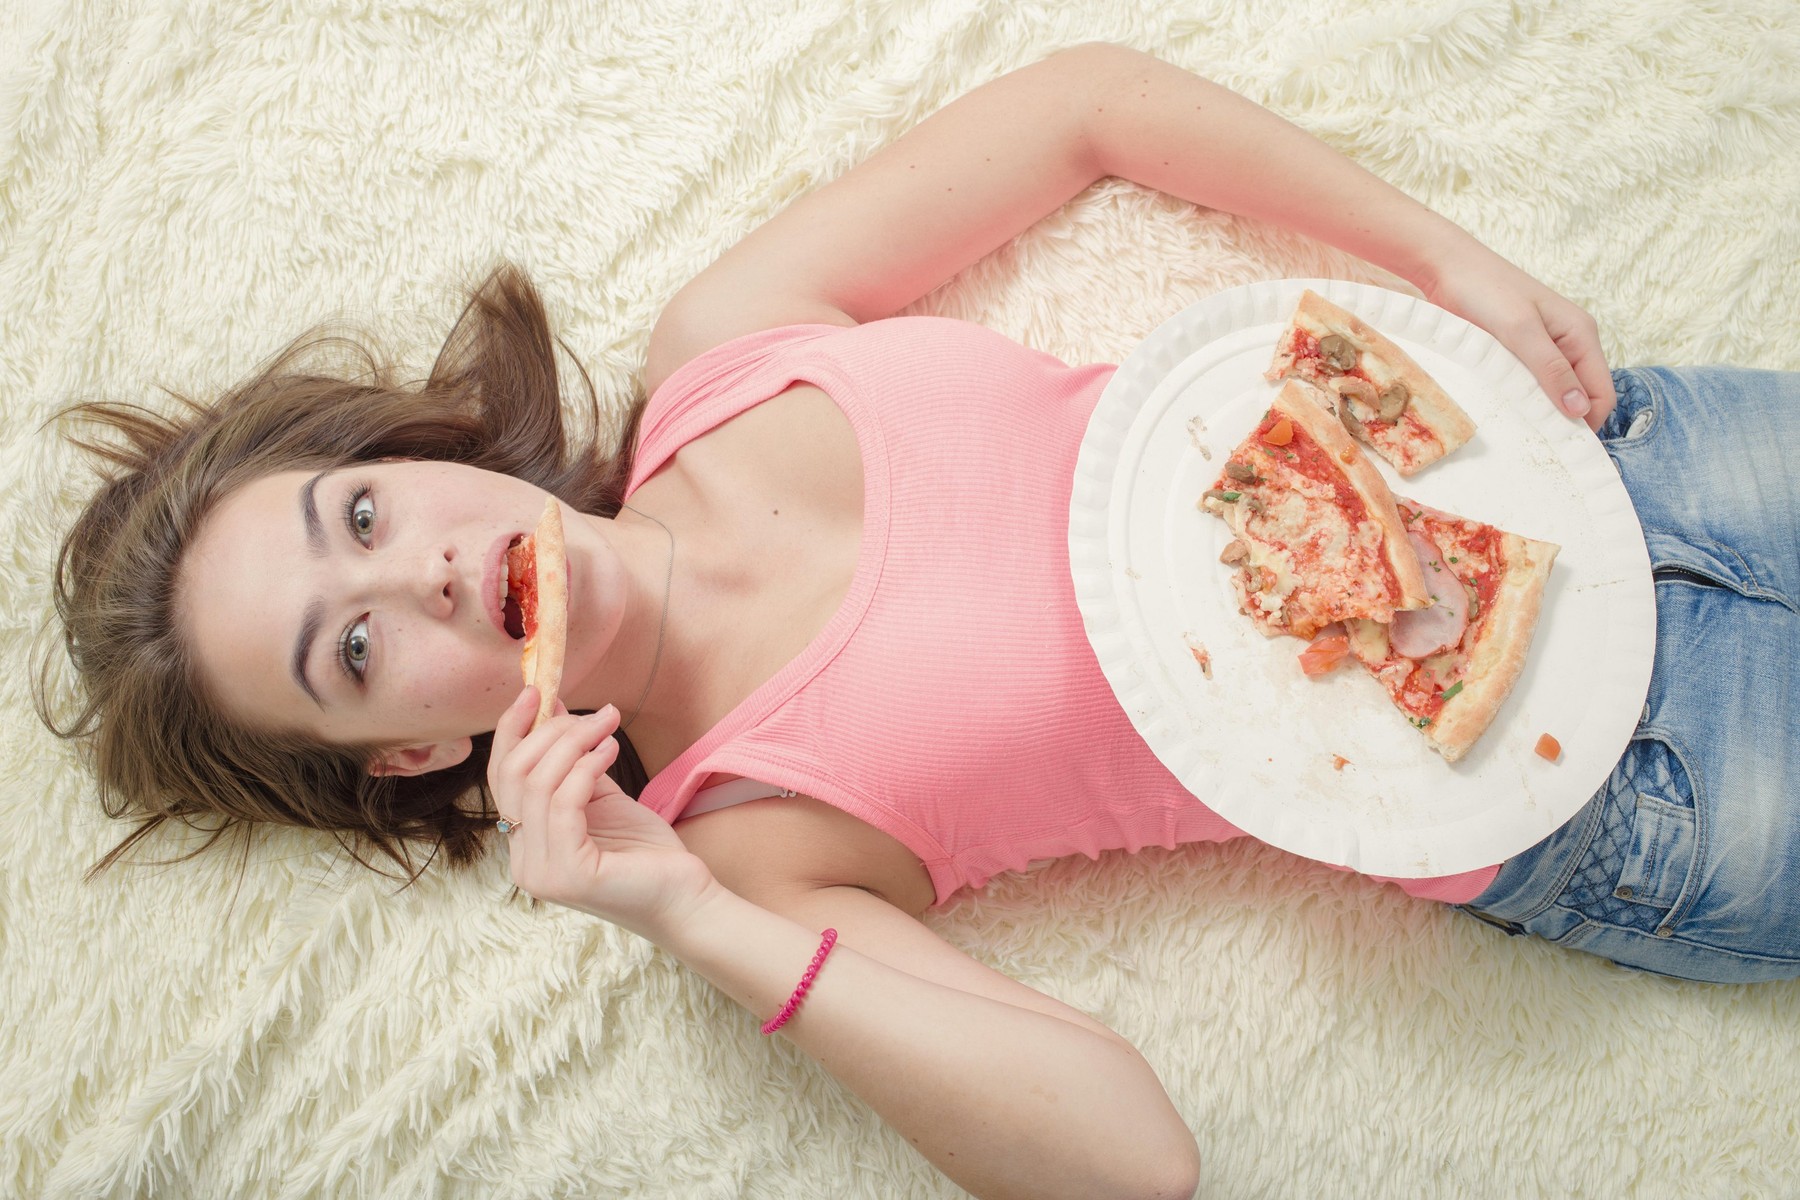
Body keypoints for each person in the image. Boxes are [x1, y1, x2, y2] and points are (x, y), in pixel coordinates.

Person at [38, 42, 1800, 1200]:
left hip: (1597, 451)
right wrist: (673, 914)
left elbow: (1089, 106)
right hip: (1603, 787)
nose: (408, 570)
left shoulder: (728, 348)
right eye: (349, 650)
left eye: (358, 515)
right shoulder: (746, 852)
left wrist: (1444, 265)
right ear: (421, 746)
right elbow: (1134, 1165)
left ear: (413, 464)